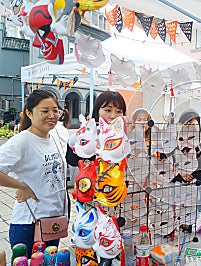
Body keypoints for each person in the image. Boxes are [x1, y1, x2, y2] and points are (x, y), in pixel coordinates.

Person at [0, 90, 68, 257]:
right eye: (45, 111)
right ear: (29, 113)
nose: (52, 115)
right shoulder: (22, 141)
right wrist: (21, 186)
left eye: (55, 110)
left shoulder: (54, 137)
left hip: (53, 222)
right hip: (28, 225)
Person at [66, 90, 127, 166]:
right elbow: (72, 161)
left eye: (118, 111)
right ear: (97, 110)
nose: (113, 116)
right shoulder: (88, 134)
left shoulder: (125, 136)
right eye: (108, 110)